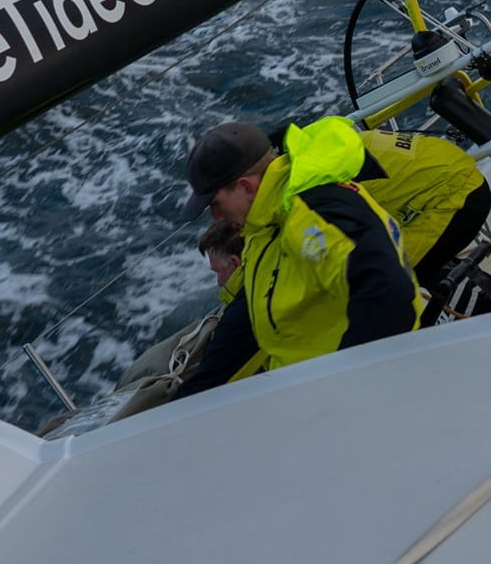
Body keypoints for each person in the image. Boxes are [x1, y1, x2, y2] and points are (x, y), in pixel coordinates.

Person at [172, 117, 424, 398]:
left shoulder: (313, 212)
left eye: (216, 204)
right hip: (307, 393)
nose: (215, 216)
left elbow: (390, 296)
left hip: (350, 396)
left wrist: (348, 388)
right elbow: (247, 321)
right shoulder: (265, 225)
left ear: (246, 187)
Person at [349, 124, 491, 295]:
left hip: (457, 195)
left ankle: (488, 306)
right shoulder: (333, 144)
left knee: (391, 276)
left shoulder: (327, 189)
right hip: (451, 167)